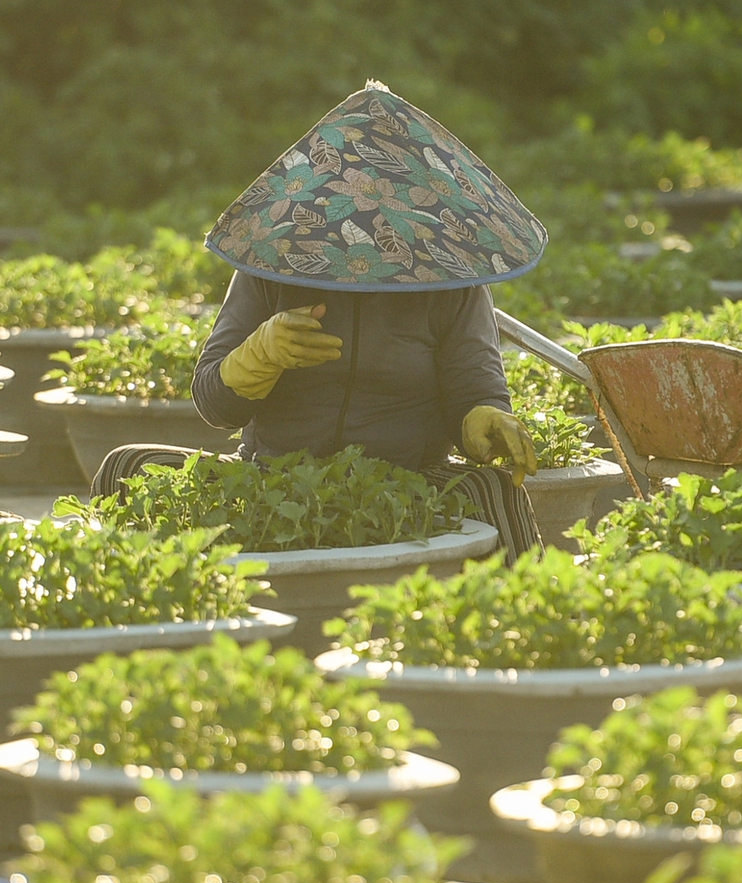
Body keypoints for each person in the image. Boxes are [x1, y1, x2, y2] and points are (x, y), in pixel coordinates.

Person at [91, 82, 548, 551]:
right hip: (272, 479)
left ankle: (521, 624)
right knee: (125, 466)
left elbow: (475, 389)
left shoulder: (454, 284)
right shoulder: (271, 264)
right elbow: (213, 402)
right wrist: (259, 356)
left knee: (495, 490)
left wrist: (485, 419)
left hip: (405, 486)